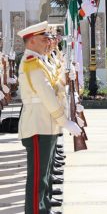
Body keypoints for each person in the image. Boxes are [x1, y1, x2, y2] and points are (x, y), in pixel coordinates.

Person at [17, 21, 82, 214]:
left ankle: (43, 209)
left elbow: (53, 88)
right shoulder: (32, 63)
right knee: (38, 178)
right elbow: (46, 95)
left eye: (48, 39)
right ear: (31, 42)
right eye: (44, 39)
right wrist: (65, 121)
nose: (48, 42)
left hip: (45, 124)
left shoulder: (38, 61)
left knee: (44, 176)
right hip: (38, 125)